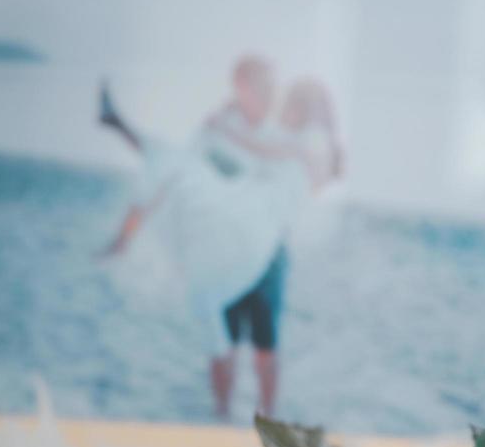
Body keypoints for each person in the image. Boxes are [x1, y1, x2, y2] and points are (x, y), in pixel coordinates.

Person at [99, 66, 342, 420]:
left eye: (294, 106)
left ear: (304, 112)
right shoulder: (273, 134)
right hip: (230, 245)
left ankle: (263, 416)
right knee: (228, 340)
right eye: (288, 104)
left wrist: (227, 128)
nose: (286, 110)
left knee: (261, 345)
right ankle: (223, 414)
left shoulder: (297, 148)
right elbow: (229, 163)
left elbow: (268, 155)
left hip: (265, 256)